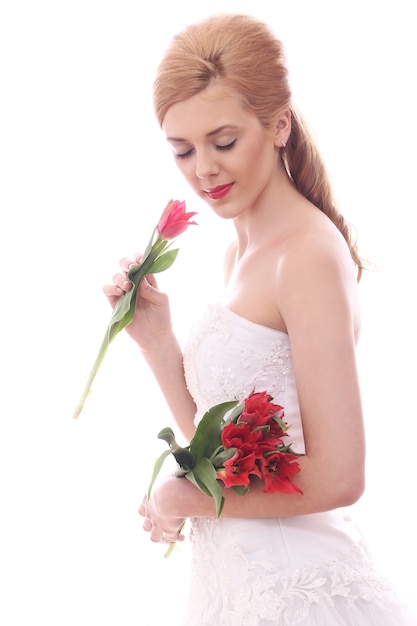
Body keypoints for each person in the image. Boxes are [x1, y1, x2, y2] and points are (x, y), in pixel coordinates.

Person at [104, 13, 416, 626]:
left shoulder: (304, 254)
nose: (203, 171)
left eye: (223, 142)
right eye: (182, 150)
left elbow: (340, 474)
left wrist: (182, 496)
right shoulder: (240, 249)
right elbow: (231, 450)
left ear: (279, 124)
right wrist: (157, 345)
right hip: (239, 586)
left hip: (297, 590)